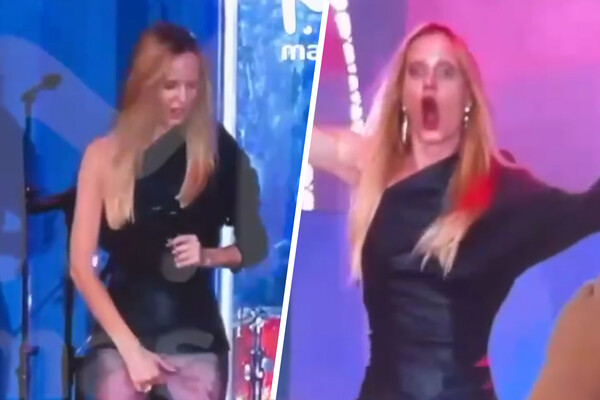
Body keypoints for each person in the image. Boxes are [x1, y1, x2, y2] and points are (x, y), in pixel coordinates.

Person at [309, 22, 600, 400]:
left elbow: (585, 212)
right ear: (402, 94)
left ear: (467, 98)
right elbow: (290, 133)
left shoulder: (500, 191)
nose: (429, 84)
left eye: (445, 72)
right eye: (417, 71)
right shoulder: (373, 166)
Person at [69, 22, 267, 400]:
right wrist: (132, 351)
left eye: (191, 87)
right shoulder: (103, 155)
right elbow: (80, 266)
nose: (182, 98)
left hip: (194, 339)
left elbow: (255, 246)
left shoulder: (216, 152)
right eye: (170, 86)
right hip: (122, 337)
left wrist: (208, 255)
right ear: (146, 85)